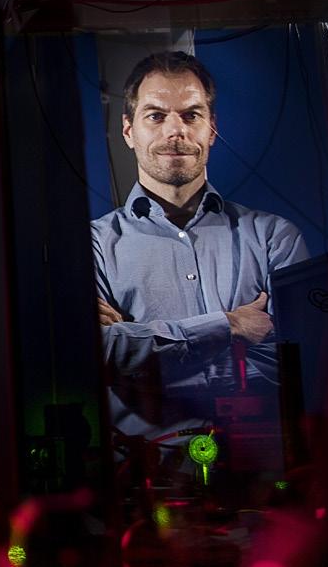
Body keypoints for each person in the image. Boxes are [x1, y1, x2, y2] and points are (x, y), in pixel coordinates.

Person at [91, 50, 308, 444]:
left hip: (262, 466)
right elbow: (100, 354)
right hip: (147, 471)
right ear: (128, 131)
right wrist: (230, 326)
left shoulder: (273, 238)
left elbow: (297, 365)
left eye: (191, 115)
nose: (175, 131)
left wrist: (143, 356)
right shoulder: (95, 247)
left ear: (211, 129)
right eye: (156, 116)